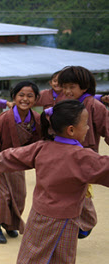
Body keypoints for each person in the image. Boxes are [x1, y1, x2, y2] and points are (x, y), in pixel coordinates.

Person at [0, 100, 109, 264]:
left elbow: (13, 155)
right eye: (86, 124)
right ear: (71, 130)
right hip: (64, 219)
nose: (89, 129)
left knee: (30, 256)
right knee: (61, 263)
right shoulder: (83, 157)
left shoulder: (42, 147)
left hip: (39, 214)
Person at [0, 81, 42, 244]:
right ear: (14, 97)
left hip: (19, 163)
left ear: (36, 99)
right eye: (21, 95)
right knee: (3, 195)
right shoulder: (5, 118)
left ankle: (10, 224)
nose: (25, 99)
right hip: (1, 161)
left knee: (19, 194)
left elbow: (39, 141)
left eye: (30, 96)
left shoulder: (37, 119)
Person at [58, 65, 109, 238]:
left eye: (71, 87)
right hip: (65, 154)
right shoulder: (64, 104)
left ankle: (87, 222)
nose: (67, 91)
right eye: (64, 87)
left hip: (86, 156)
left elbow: (107, 129)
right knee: (67, 190)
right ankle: (73, 223)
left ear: (84, 86)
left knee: (80, 190)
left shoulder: (95, 106)